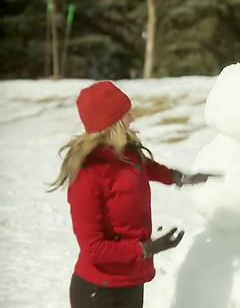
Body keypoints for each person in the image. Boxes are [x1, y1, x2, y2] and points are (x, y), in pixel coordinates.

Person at [49, 80, 212, 308]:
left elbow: (146, 167)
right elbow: (93, 248)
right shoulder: (88, 174)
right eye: (126, 114)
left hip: (132, 281)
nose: (132, 119)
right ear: (110, 123)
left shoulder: (126, 154)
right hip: (99, 291)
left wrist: (179, 178)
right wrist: (147, 248)